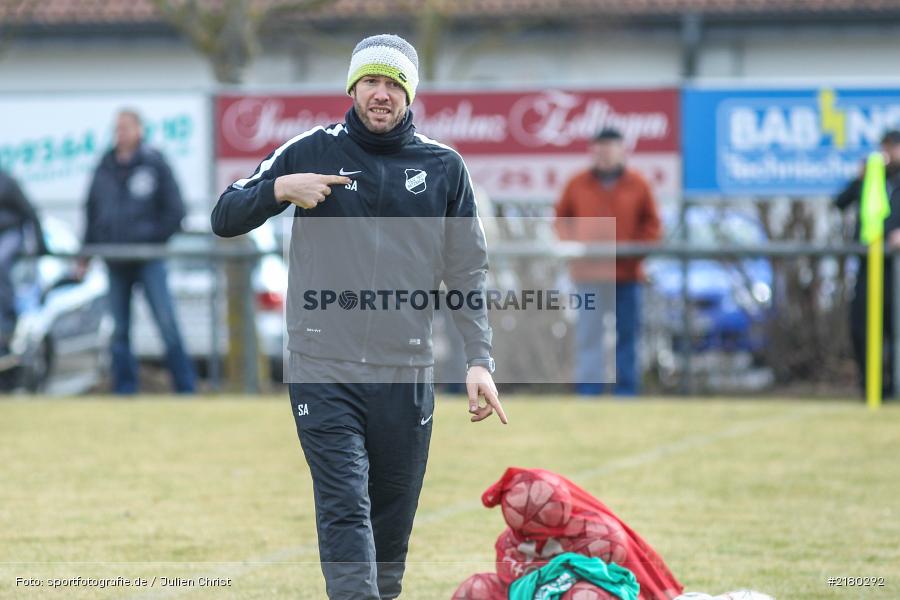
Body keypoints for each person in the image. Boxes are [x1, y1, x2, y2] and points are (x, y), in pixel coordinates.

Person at [211, 34, 507, 600]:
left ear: (409, 94)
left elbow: (467, 273)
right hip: (323, 366)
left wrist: (479, 359)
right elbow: (224, 215)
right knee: (346, 502)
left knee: (390, 523)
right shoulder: (309, 150)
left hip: (406, 371)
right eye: (371, 81)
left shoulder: (444, 167)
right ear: (352, 87)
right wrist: (278, 189)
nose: (382, 94)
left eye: (394, 84)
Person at [83, 109, 195, 394]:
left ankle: (186, 389)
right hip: (115, 260)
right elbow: (92, 211)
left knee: (167, 325)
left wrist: (153, 239)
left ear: (139, 130)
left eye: (125, 127)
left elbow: (175, 210)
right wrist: (86, 253)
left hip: (149, 259)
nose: (120, 133)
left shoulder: (154, 163)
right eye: (116, 128)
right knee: (119, 330)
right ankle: (125, 390)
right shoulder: (104, 166)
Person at [555, 127, 662, 396]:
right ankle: (589, 391)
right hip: (588, 274)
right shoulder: (577, 183)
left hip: (626, 275)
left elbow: (652, 225)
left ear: (622, 150)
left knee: (627, 335)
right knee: (589, 335)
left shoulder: (638, 184)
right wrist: (574, 244)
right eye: (599, 148)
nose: (604, 154)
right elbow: (561, 219)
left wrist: (634, 250)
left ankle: (626, 391)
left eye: (610, 147)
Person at [834, 129, 900, 397]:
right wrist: (860, 177)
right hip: (868, 264)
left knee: (893, 328)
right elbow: (839, 203)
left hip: (895, 268)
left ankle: (895, 387)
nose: (888, 154)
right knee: (861, 326)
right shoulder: (873, 177)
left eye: (892, 148)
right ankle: (872, 386)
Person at [0, 169, 47, 359]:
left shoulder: (6, 181)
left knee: (0, 263)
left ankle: (6, 321)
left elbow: (29, 211)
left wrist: (41, 245)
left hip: (9, 232)